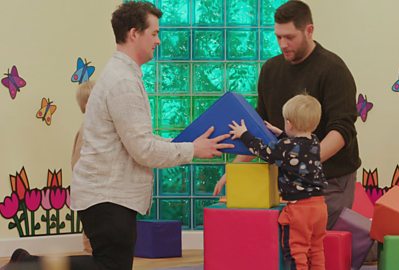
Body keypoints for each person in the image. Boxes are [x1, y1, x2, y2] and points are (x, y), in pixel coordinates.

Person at [1, 2, 233, 270]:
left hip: (108, 196)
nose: (158, 40)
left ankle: (26, 262)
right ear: (134, 33)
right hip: (108, 197)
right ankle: (27, 265)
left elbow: (139, 139)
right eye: (154, 33)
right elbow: (143, 150)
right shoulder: (123, 82)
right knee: (110, 266)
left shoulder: (124, 75)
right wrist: (192, 150)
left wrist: (188, 144)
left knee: (109, 264)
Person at [214, 0, 361, 230]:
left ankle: (371, 244)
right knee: (287, 245)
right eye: (278, 37)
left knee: (322, 241)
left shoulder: (333, 70)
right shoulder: (271, 70)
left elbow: (342, 130)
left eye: (290, 37)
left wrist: (305, 161)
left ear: (309, 30)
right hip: (288, 179)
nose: (283, 44)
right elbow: (258, 128)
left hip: (329, 179)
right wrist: (235, 171)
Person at [229, 94, 329, 270]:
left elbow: (264, 151)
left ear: (289, 123)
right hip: (319, 207)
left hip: (300, 209)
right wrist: (281, 134)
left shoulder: (285, 148)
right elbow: (296, 149)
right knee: (316, 248)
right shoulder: (314, 142)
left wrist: (244, 135)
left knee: (295, 251)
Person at [71, 80, 94, 255]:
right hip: (88, 188)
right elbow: (77, 160)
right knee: (92, 234)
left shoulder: (94, 126)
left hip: (89, 188)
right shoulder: (88, 127)